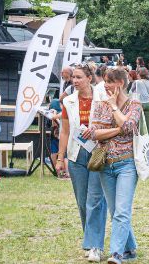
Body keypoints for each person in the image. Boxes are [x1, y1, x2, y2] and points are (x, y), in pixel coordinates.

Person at [90, 68, 142, 264]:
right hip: (105, 165)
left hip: (127, 164)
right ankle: (130, 249)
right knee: (115, 211)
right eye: (104, 82)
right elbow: (94, 132)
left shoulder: (134, 104)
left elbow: (130, 127)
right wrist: (119, 128)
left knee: (121, 211)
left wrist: (114, 108)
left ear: (119, 84)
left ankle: (116, 254)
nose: (105, 86)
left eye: (109, 82)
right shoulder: (99, 105)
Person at [57, 64, 108, 262]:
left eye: (78, 77)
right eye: (73, 78)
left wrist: (96, 129)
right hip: (76, 155)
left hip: (97, 153)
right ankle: (91, 238)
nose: (75, 81)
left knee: (95, 200)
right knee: (82, 202)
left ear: (89, 77)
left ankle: (95, 245)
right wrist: (61, 159)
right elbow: (65, 131)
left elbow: (111, 123)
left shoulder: (102, 98)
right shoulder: (68, 101)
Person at [133, 68, 149, 138]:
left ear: (139, 74)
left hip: (140, 103)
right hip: (148, 103)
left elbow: (131, 92)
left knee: (140, 122)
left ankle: (141, 138)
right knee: (148, 122)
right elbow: (148, 93)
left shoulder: (137, 82)